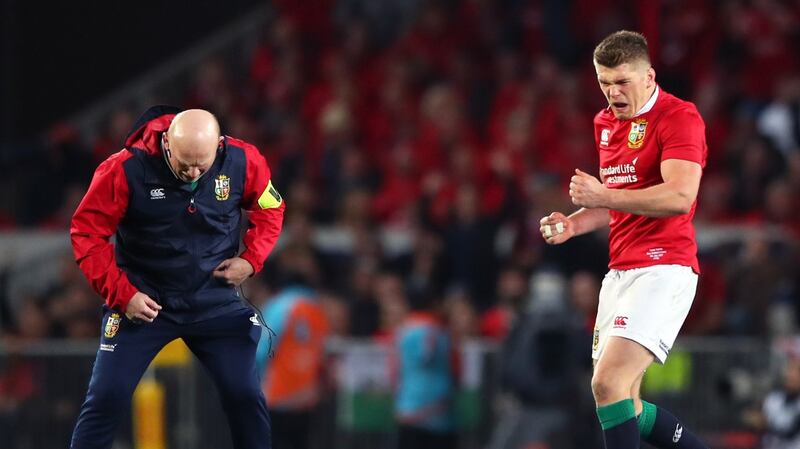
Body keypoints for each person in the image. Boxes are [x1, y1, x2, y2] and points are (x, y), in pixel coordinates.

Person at [69, 106, 285, 449]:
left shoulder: (243, 160)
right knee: (106, 396)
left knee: (245, 395)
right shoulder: (123, 169)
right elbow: (87, 233)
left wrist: (251, 260)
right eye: (185, 163)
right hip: (143, 303)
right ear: (167, 143)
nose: (192, 173)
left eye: (202, 164)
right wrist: (124, 294)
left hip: (214, 301)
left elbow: (270, 208)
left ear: (218, 146)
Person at [539, 31, 709, 449]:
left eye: (621, 82)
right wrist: (574, 224)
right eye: (604, 82)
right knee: (622, 403)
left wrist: (604, 195)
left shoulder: (679, 117)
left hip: (664, 266)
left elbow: (680, 196)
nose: (612, 92)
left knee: (608, 382)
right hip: (620, 271)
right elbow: (619, 197)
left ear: (648, 77)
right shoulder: (605, 123)